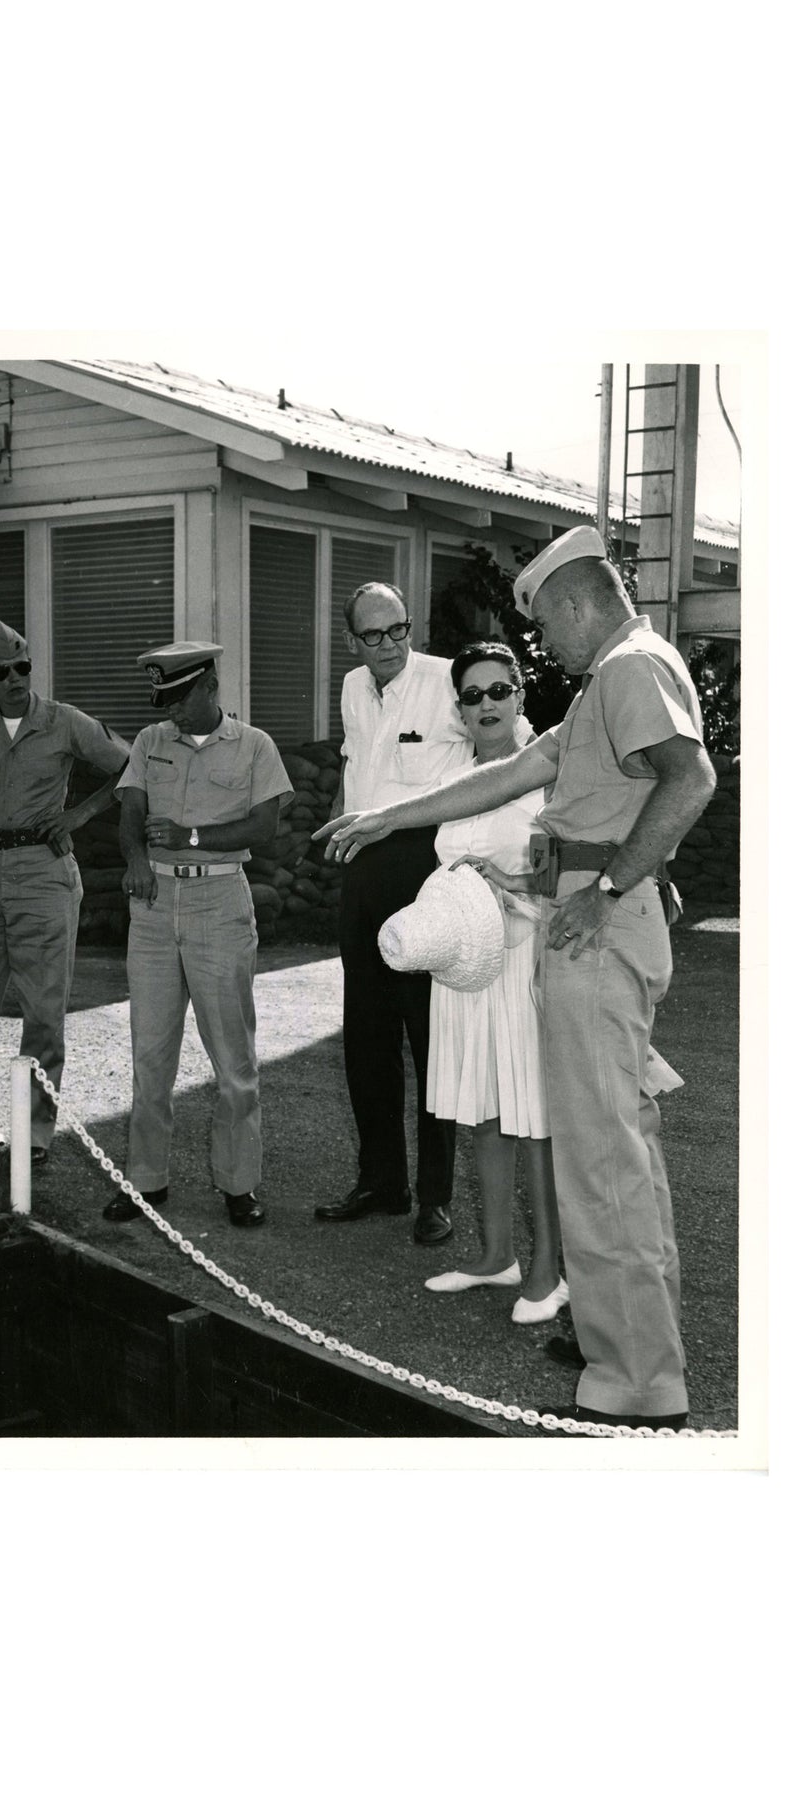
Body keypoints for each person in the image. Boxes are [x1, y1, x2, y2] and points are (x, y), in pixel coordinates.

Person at [316, 526, 715, 1430]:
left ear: (575, 604)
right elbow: (502, 778)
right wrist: (385, 818)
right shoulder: (613, 676)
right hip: (594, 906)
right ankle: (622, 1339)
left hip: (592, 916)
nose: (544, 646)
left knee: (598, 1154)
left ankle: (637, 1386)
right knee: (616, 1148)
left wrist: (610, 885)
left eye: (544, 625)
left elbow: (689, 780)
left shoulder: (625, 668)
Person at [0, 617, 129, 1160]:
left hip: (44, 872)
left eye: (23, 668)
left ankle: (33, 1136)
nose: (15, 679)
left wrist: (80, 813)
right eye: (2, 672)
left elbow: (133, 769)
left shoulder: (64, 722)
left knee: (42, 1015)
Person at [105, 642, 292, 1228]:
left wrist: (189, 837)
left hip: (219, 900)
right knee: (150, 1054)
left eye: (180, 699)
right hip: (155, 904)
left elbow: (265, 823)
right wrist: (135, 858)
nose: (172, 713)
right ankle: (145, 1183)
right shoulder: (150, 742)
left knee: (233, 1057)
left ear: (210, 684)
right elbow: (130, 813)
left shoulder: (255, 745)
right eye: (163, 701)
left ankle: (239, 1185)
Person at [408, 642, 565, 1322]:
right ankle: (497, 1255)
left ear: (520, 693)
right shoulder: (456, 773)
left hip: (525, 958)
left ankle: (548, 1271)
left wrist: (512, 884)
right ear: (458, 709)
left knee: (535, 1121)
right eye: (471, 696)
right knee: (487, 1111)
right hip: (467, 965)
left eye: (498, 690)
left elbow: (571, 869)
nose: (486, 705)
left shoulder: (549, 769)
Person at [314, 581, 474, 1246]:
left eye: (398, 630)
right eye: (372, 635)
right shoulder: (354, 687)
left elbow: (500, 757)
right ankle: (381, 1182)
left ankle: (434, 1199)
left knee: (430, 1042)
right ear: (352, 639)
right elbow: (359, 773)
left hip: (426, 872)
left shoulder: (448, 681)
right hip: (363, 877)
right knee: (367, 1042)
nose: (387, 646)